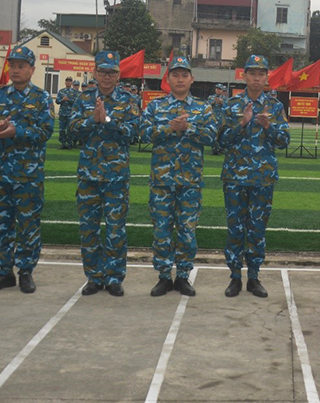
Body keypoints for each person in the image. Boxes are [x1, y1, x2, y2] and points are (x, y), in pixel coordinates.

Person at [0, 46, 54, 294]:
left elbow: (45, 132)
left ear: (32, 69)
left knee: (28, 226)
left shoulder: (41, 99)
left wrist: (16, 131)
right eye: (14, 65)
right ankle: (3, 273)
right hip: (0, 174)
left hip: (28, 176)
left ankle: (25, 272)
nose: (17, 70)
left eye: (22, 66)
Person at [140, 56, 216, 297]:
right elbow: (143, 133)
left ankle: (183, 276)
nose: (180, 79)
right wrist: (169, 128)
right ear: (168, 78)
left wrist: (189, 129)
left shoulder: (203, 108)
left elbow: (212, 137)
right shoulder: (155, 106)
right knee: (162, 229)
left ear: (192, 79)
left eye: (184, 75)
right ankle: (164, 276)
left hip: (190, 181)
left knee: (187, 230)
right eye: (175, 75)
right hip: (162, 181)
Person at [218, 55, 290, 298]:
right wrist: (242, 123)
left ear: (267, 77)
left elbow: (284, 142)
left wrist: (269, 127)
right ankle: (235, 277)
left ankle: (254, 277)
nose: (256, 78)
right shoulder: (231, 105)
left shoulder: (275, 107)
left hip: (262, 178)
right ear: (244, 76)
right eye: (252, 73)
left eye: (261, 74)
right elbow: (220, 142)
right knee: (235, 228)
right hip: (235, 178)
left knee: (258, 229)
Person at [70, 51, 139, 297]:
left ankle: (114, 278)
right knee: (88, 229)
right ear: (95, 73)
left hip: (116, 176)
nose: (107, 77)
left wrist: (107, 120)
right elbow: (72, 129)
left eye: (112, 72)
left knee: (115, 229)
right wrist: (92, 121)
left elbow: (133, 133)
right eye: (102, 72)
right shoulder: (83, 98)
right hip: (89, 175)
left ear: (119, 75)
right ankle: (93, 277)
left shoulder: (129, 100)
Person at [55, 76, 79, 149]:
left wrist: (68, 100)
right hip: (62, 113)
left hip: (70, 114)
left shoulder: (74, 92)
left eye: (70, 81)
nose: (68, 82)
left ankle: (69, 143)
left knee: (70, 129)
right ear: (65, 82)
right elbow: (57, 101)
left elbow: (76, 102)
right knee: (62, 129)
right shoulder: (61, 91)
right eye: (67, 81)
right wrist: (62, 100)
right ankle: (63, 143)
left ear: (71, 82)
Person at [211, 83, 228, 155]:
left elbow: (227, 107)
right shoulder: (211, 97)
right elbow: (209, 105)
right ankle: (214, 149)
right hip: (214, 118)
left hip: (222, 118)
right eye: (217, 89)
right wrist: (214, 102)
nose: (218, 90)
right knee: (214, 134)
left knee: (221, 134)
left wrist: (222, 103)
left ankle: (220, 148)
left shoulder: (225, 98)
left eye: (219, 89)